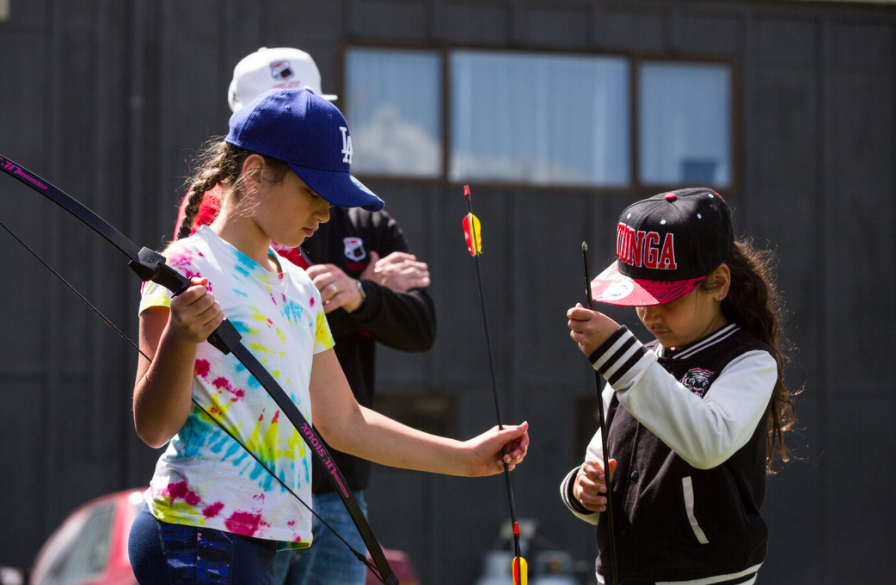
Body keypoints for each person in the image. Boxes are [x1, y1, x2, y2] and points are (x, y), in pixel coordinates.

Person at [127, 88, 529, 585]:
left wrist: (466, 459)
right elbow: (154, 427)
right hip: (195, 534)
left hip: (261, 541)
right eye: (313, 193)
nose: (325, 212)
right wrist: (181, 339)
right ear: (253, 174)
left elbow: (344, 422)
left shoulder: (300, 288)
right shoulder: (185, 268)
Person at [173, 47, 436, 585]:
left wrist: (360, 296)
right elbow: (259, 330)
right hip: (237, 492)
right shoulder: (218, 221)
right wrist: (354, 295)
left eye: (308, 106)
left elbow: (420, 326)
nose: (322, 211)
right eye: (278, 110)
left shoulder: (357, 212)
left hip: (339, 478)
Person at [561, 188, 796, 585]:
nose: (648, 313)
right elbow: (600, 464)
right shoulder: (635, 363)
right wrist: (583, 489)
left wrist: (620, 356)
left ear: (718, 283)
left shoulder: (748, 361)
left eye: (665, 297)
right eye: (638, 296)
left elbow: (708, 442)